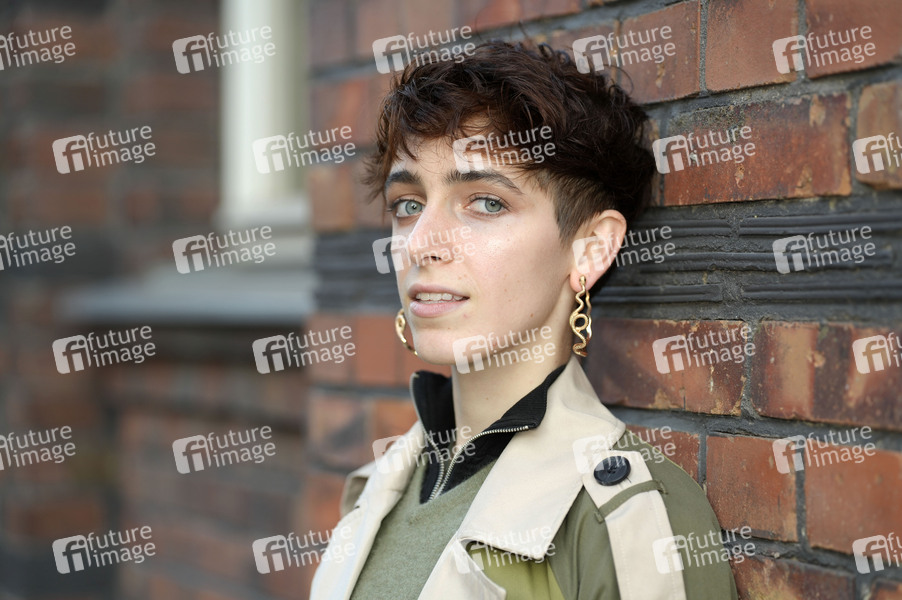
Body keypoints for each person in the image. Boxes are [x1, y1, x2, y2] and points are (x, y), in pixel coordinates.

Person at [311, 39, 738, 600]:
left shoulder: (625, 514)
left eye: (486, 202)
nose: (420, 244)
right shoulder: (380, 485)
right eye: (408, 205)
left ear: (590, 249)